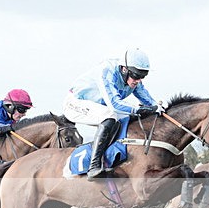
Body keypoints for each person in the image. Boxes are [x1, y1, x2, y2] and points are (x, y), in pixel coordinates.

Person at [63, 48, 160, 178]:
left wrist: (160, 107)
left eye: (142, 76)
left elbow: (149, 102)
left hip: (99, 107)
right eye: (136, 76)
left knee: (127, 118)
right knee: (110, 116)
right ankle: (94, 166)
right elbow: (114, 104)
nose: (138, 80)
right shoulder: (107, 71)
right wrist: (138, 109)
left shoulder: (133, 80)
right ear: (124, 69)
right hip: (75, 103)